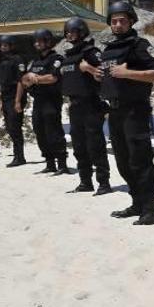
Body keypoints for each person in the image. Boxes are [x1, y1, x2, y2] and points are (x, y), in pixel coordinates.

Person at [84, 0, 154, 225]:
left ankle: (150, 207)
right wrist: (100, 76)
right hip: (115, 110)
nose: (117, 25)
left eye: (122, 21)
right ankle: (136, 201)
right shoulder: (108, 49)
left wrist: (127, 74)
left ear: (131, 22)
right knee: (123, 161)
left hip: (135, 110)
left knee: (140, 159)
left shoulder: (140, 45)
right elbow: (111, 75)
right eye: (114, 21)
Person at [60, 17, 112, 195]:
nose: (70, 34)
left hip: (91, 104)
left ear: (82, 32)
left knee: (95, 144)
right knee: (79, 145)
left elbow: (105, 73)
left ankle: (104, 183)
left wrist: (88, 69)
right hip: (74, 105)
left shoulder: (91, 52)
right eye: (67, 32)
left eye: (73, 31)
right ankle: (85, 181)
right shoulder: (68, 56)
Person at [21, 28, 69, 175]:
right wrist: (30, 78)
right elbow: (24, 80)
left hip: (51, 100)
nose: (37, 44)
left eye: (40, 41)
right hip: (38, 100)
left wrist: (35, 79)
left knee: (53, 131)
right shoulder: (34, 61)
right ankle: (49, 163)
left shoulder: (56, 59)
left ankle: (62, 163)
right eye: (35, 41)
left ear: (48, 42)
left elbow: (53, 78)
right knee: (39, 131)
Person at [0, 35, 27, 167]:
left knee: (15, 127)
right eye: (1, 45)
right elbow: (2, 82)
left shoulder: (17, 60)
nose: (3, 47)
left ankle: (19, 157)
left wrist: (18, 101)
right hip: (6, 97)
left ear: (12, 45)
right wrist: (1, 99)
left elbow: (21, 81)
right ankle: (17, 156)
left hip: (15, 96)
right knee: (10, 127)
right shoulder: (3, 61)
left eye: (5, 45)